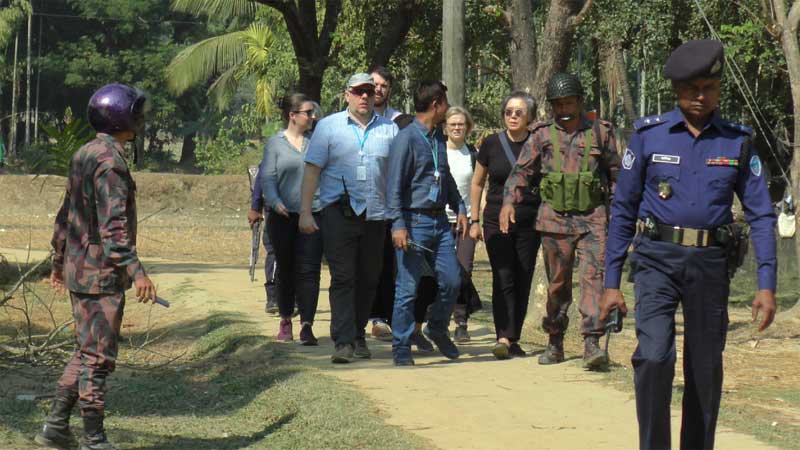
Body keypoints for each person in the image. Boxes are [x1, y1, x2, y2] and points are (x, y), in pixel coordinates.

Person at [599, 39, 777, 450]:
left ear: (719, 89)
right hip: (656, 260)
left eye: (709, 88)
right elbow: (622, 209)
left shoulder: (738, 141)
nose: (701, 97)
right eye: (692, 88)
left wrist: (766, 284)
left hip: (710, 265)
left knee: (704, 368)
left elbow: (762, 215)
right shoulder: (649, 137)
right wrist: (611, 284)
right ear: (677, 90)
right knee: (654, 358)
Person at [36, 83, 158, 450]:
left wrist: (59, 262)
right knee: (98, 359)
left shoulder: (85, 153)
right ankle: (94, 438)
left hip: (80, 269)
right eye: (135, 112)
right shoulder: (111, 163)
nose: (140, 118)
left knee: (86, 351)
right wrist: (138, 273)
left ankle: (55, 427)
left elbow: (64, 216)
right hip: (100, 276)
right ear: (122, 116)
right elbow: (114, 228)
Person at [500, 75, 621, 369]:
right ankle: (555, 340)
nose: (564, 108)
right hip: (554, 221)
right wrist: (508, 202)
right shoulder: (541, 135)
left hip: (592, 219)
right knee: (558, 285)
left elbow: (617, 174)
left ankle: (592, 342)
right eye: (559, 104)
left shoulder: (601, 133)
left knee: (593, 281)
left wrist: (622, 213)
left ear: (580, 101)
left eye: (569, 102)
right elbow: (521, 172)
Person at [300, 73, 399, 363]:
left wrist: (399, 215)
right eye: (358, 92)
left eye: (369, 91)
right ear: (347, 95)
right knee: (343, 277)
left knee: (369, 278)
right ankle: (342, 341)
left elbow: (395, 176)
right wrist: (306, 211)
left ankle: (357, 334)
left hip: (376, 214)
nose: (365, 97)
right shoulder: (328, 128)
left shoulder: (389, 130)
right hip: (337, 212)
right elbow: (312, 171)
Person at [386, 80, 468, 366]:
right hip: (413, 221)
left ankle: (436, 327)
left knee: (452, 280)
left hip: (440, 223)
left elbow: (444, 179)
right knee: (407, 288)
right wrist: (398, 224)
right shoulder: (406, 139)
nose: (447, 107)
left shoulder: (437, 138)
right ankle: (401, 346)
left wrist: (460, 208)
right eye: (445, 102)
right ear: (436, 105)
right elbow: (393, 186)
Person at [470, 92, 541, 359]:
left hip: (528, 219)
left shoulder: (538, 144)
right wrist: (475, 220)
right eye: (508, 111)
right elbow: (478, 183)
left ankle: (514, 337)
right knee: (503, 277)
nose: (512, 116)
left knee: (523, 276)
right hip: (495, 219)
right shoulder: (491, 143)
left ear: (530, 117)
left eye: (518, 112)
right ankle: (502, 336)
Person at [262, 93, 324, 346]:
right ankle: (286, 318)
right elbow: (267, 177)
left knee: (310, 271)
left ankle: (307, 325)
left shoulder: (317, 143)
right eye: (307, 112)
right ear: (292, 115)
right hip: (282, 217)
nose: (312, 117)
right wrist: (275, 202)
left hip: (313, 214)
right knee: (286, 269)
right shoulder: (275, 143)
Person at [443, 106, 479, 342]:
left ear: (468, 127)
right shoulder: (437, 151)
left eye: (461, 124)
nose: (457, 128)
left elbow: (479, 187)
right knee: (445, 273)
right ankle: (439, 319)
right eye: (453, 124)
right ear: (445, 127)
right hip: (440, 220)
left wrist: (477, 219)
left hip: (465, 221)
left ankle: (462, 321)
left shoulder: (473, 153)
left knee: (464, 269)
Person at [247, 167, 278, 313]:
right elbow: (260, 180)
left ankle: (294, 297)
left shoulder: (306, 149)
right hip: (273, 210)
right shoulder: (272, 151)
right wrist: (255, 207)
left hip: (297, 208)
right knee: (274, 252)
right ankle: (273, 298)